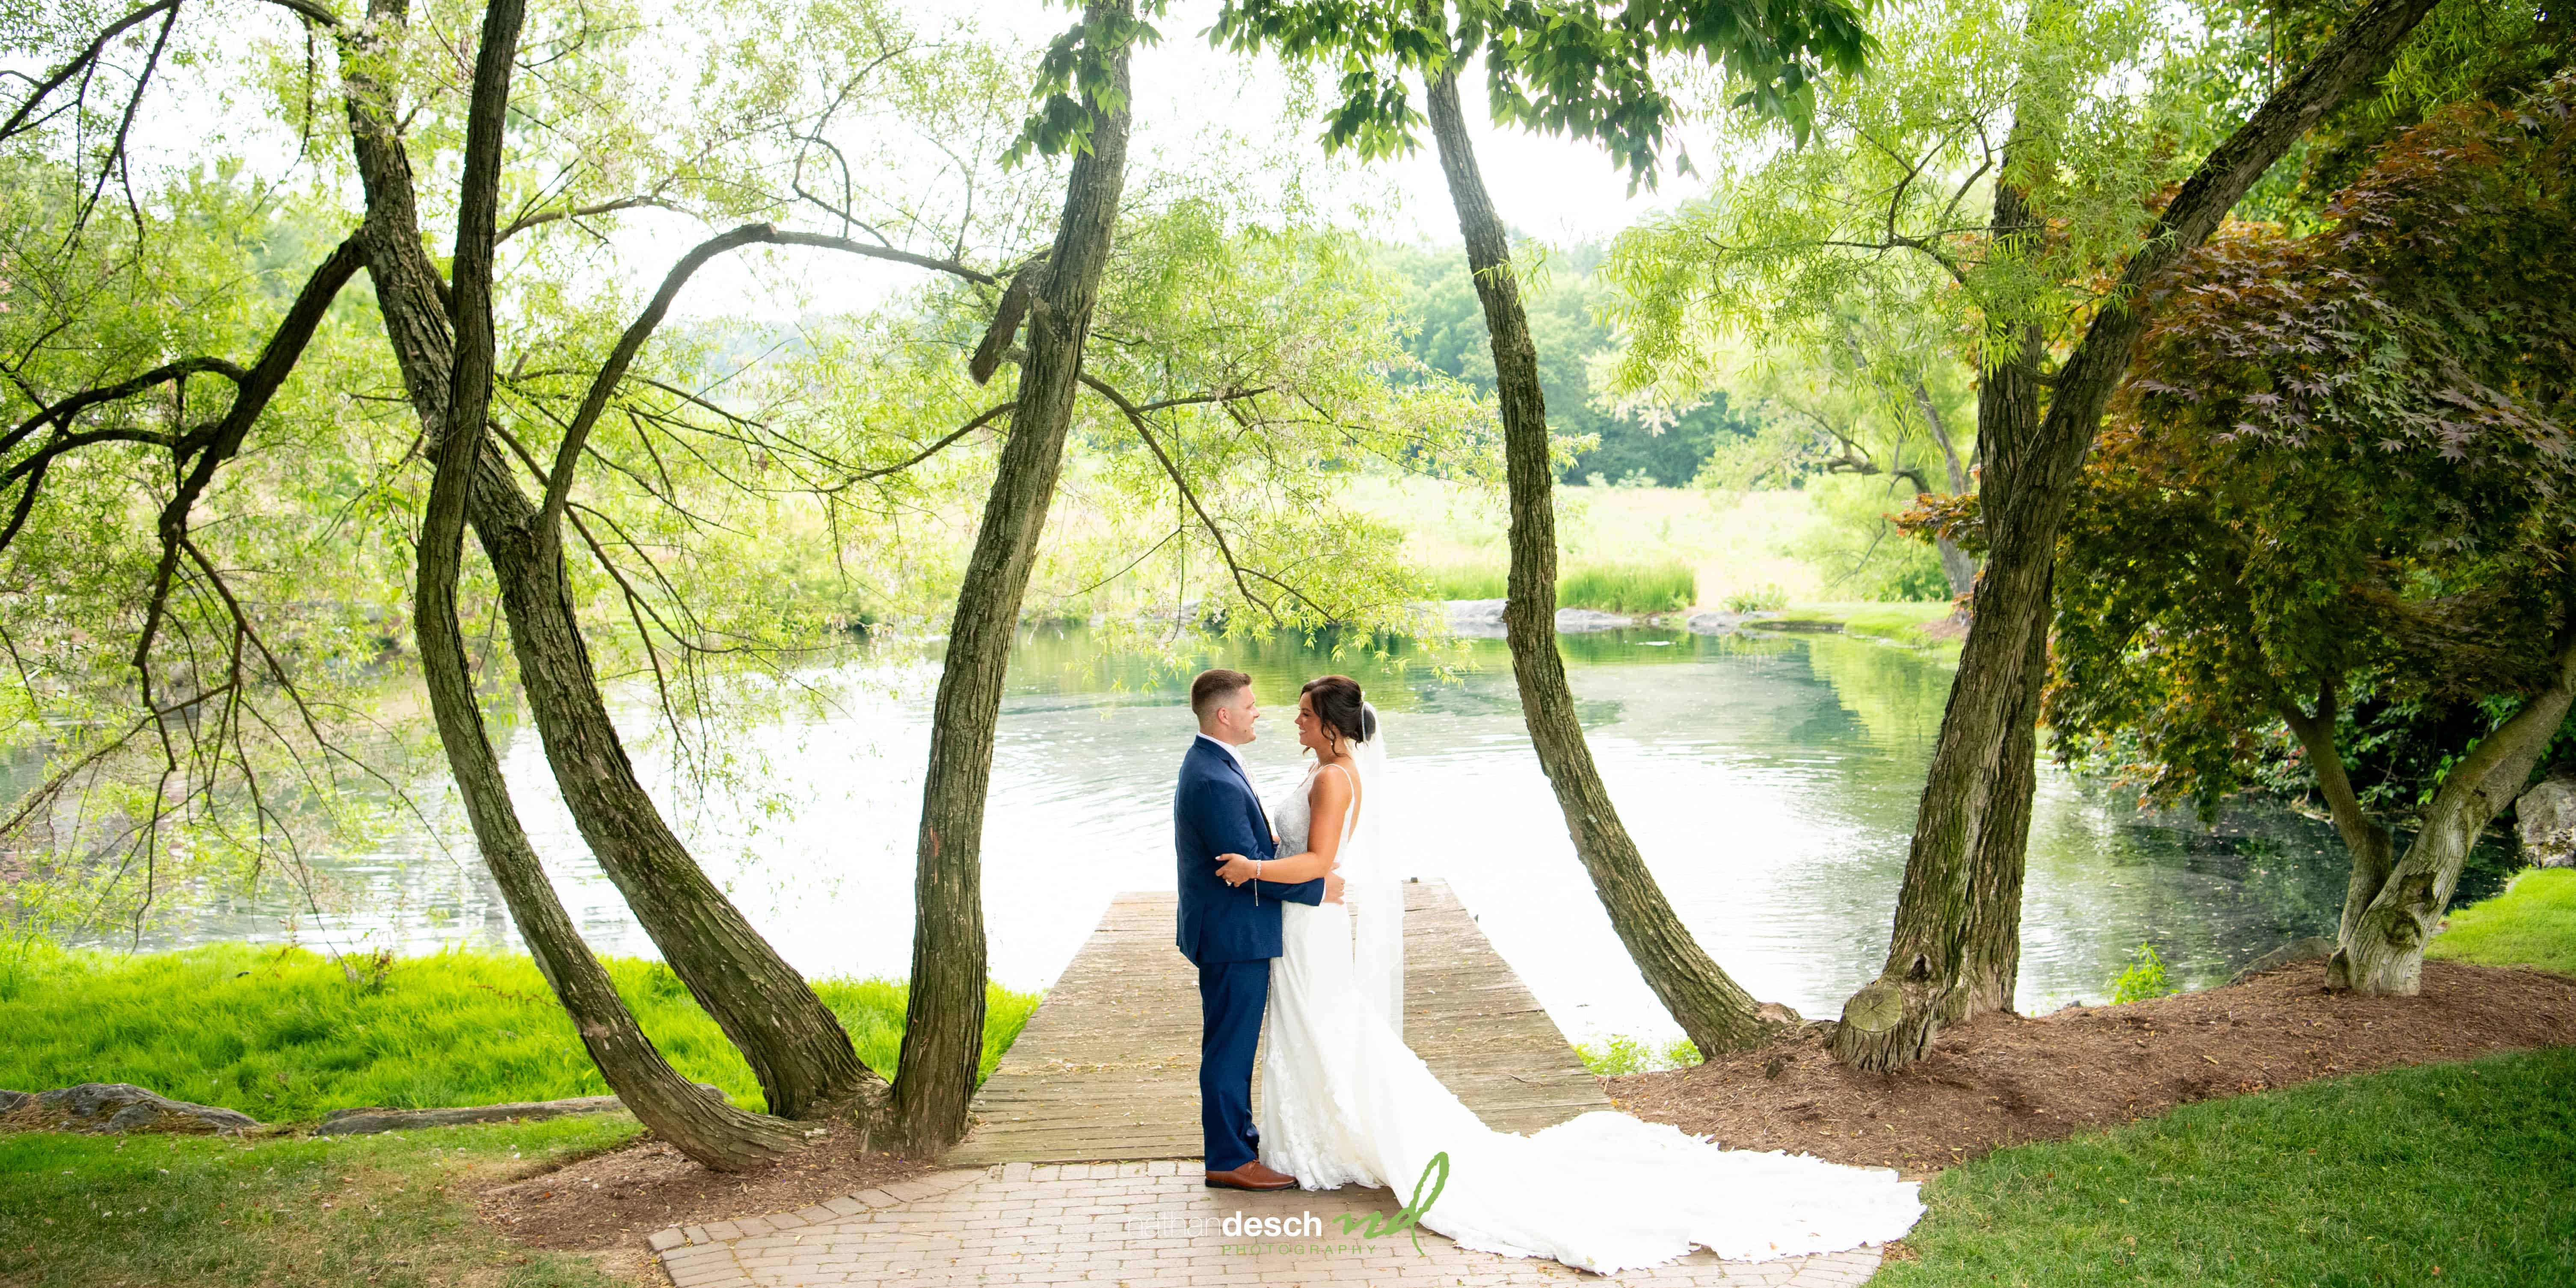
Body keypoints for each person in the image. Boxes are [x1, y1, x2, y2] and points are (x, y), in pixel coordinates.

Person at [1209, 674, 1925, 1273]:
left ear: (1329, 725)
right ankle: (1320, 1138)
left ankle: (1335, 1141)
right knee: (1317, 1027)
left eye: (1303, 714)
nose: (1292, 721)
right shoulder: (1320, 771)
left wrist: (1251, 870)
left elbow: (1317, 864)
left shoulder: (1336, 779)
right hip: (1303, 923)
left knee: (1328, 1026)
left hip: (1311, 924)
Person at [1171, 668, 1342, 1193]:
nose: (1258, 713)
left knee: (1233, 1042)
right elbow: (1241, 871)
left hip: (1231, 930)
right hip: (1231, 933)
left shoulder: (1214, 763)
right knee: (1229, 1047)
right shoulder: (1213, 779)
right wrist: (1318, 889)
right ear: (1224, 715)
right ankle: (1228, 1158)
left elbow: (1253, 857)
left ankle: (1239, 1142)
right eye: (1249, 705)